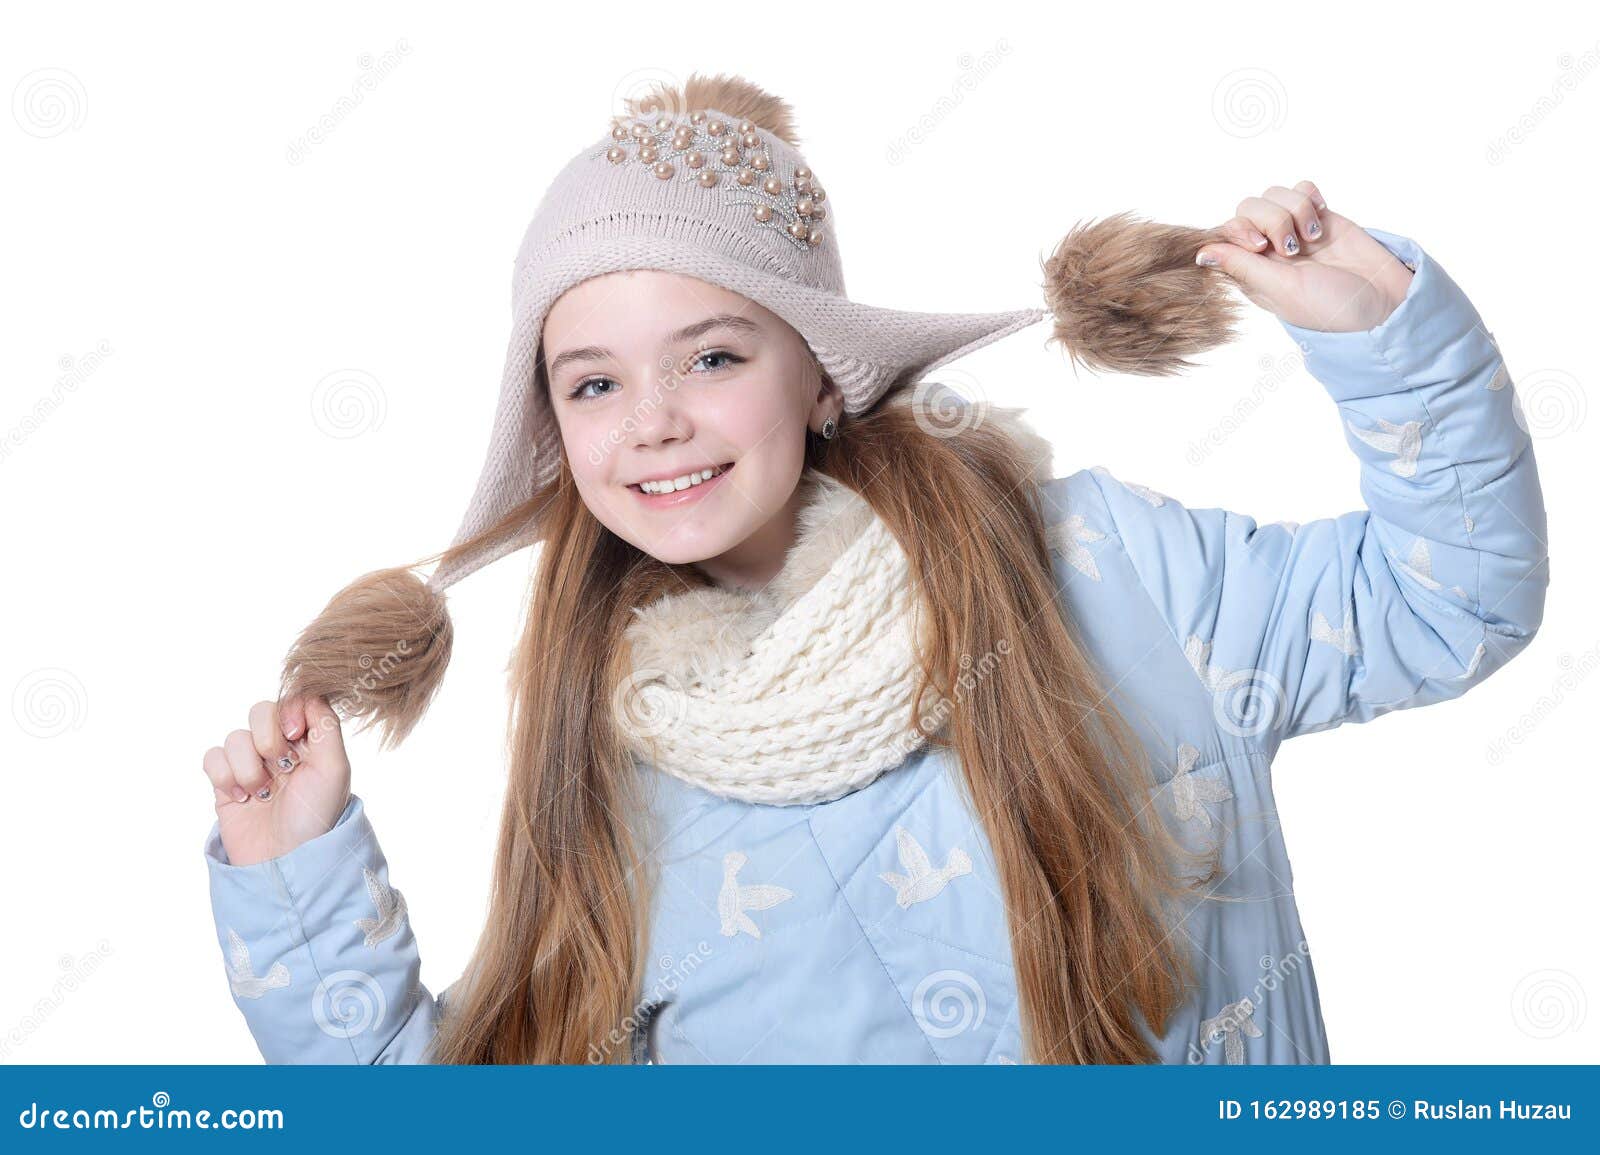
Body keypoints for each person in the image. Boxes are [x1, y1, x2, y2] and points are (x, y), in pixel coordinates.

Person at [200, 73, 1548, 1064]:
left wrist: (1386, 341)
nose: (653, 419)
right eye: (593, 382)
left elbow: (1450, 603)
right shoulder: (605, 757)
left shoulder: (1113, 576)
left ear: (825, 379)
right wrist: (299, 880)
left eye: (713, 356)